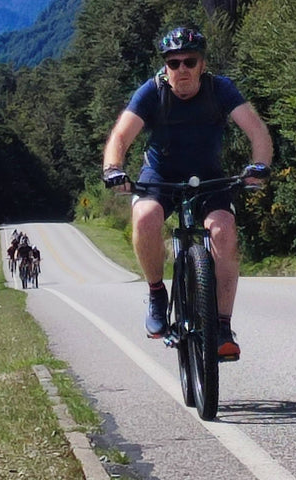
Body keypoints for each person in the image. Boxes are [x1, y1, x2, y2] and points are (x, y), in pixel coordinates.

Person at [101, 25, 273, 360]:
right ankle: (156, 293)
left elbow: (258, 131)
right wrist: (113, 169)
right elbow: (120, 136)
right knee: (146, 218)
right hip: (160, 175)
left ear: (202, 64)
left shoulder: (220, 90)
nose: (182, 69)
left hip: (209, 177)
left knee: (224, 233)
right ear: (166, 67)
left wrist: (260, 166)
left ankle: (222, 326)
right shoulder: (152, 92)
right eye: (174, 62)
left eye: (189, 61)